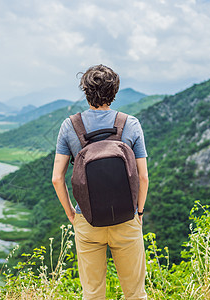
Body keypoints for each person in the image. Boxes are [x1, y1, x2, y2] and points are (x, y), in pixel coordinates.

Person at [52, 64, 149, 299]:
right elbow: (144, 177)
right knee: (135, 293)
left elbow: (57, 178)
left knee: (93, 293)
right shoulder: (130, 124)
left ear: (85, 91)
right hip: (126, 219)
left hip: (87, 220)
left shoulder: (70, 126)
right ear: (114, 91)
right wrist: (139, 212)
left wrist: (72, 215)